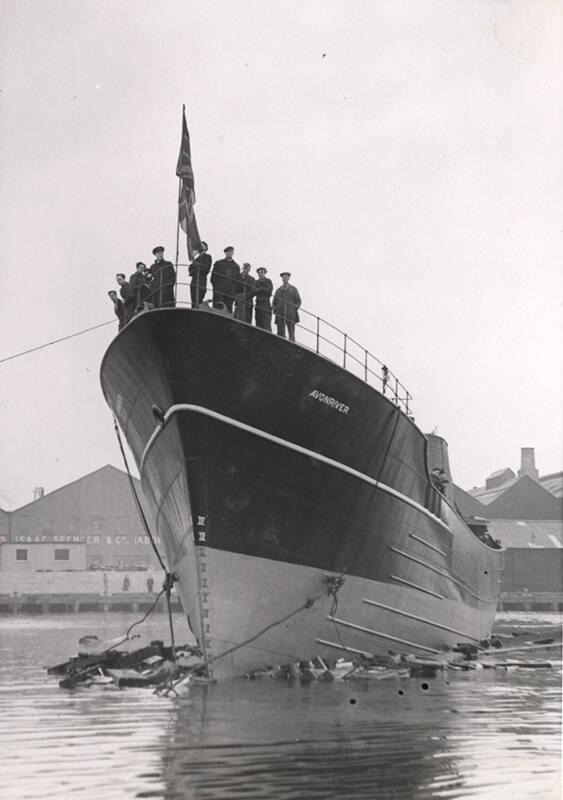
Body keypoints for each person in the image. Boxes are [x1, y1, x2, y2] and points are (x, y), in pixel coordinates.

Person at [210, 246, 240, 312]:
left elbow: (238, 281)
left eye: (231, 251)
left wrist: (234, 290)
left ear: (233, 253)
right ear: (225, 253)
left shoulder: (236, 266)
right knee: (217, 309)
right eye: (227, 252)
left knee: (229, 310)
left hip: (230, 292)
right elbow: (213, 278)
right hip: (219, 291)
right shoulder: (218, 263)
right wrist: (217, 288)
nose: (229, 253)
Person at [273, 272, 301, 341]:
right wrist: (275, 310)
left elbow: (298, 301)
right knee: (280, 333)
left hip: (290, 314)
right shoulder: (278, 290)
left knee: (291, 332)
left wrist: (293, 308)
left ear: (288, 278)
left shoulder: (293, 289)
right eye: (283, 277)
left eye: (286, 277)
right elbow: (274, 302)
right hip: (280, 313)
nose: (284, 278)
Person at [189, 241, 212, 308]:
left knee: (199, 299)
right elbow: (190, 269)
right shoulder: (196, 258)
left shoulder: (207, 257)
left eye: (203, 246)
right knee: (193, 300)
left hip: (201, 280)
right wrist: (194, 262)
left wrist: (197, 265)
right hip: (194, 280)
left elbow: (206, 268)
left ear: (206, 248)